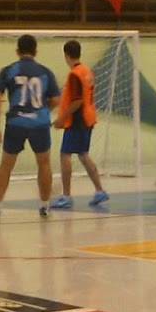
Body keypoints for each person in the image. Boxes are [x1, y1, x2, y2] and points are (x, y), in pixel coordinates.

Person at [0, 33, 60, 224]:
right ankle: (44, 206)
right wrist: (43, 111)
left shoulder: (8, 71)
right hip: (39, 124)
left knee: (6, 165)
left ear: (17, 51)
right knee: (44, 163)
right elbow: (56, 99)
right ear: (35, 52)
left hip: (16, 123)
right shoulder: (45, 72)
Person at [51, 40, 108, 209]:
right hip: (88, 118)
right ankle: (99, 191)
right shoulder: (86, 71)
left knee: (65, 154)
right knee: (83, 154)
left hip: (77, 120)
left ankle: (66, 196)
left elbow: (77, 101)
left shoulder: (75, 74)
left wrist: (61, 118)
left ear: (66, 55)